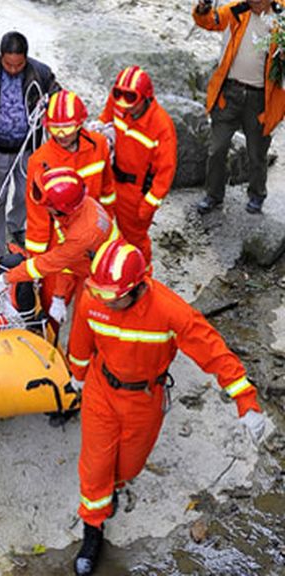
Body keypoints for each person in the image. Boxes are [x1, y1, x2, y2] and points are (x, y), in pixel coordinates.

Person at [66, 237, 268, 575]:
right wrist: (78, 374)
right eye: (98, 293)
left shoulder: (169, 311)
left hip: (144, 400)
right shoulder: (96, 297)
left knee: (129, 465)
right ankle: (93, 529)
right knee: (95, 463)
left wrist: (245, 401)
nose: (100, 300)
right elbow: (81, 337)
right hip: (102, 392)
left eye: (110, 297)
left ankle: (112, 488)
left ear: (135, 289)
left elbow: (212, 350)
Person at [21, 91, 116, 327]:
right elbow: (37, 217)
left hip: (92, 237)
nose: (61, 136)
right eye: (55, 129)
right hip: (58, 240)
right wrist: (38, 260)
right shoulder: (40, 161)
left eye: (67, 128)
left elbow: (107, 190)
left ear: (80, 123)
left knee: (93, 305)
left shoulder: (99, 145)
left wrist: (107, 234)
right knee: (52, 303)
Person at [0, 30, 61, 260]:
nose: (13, 69)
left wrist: (47, 106)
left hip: (29, 149)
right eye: (8, 64)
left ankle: (16, 226)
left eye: (18, 65)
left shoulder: (41, 72)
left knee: (27, 194)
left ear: (26, 59)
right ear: (1, 57)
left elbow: (59, 99)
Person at [0, 167, 118, 331]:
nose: (44, 208)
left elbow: (48, 263)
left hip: (103, 277)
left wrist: (6, 279)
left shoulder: (82, 233)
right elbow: (68, 259)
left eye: (48, 204)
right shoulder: (80, 209)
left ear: (62, 208)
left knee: (84, 324)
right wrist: (59, 295)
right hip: (84, 261)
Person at [193, 0, 285, 215]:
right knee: (217, 149)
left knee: (257, 154)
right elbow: (209, 22)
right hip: (229, 94)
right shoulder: (236, 10)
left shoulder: (281, 16)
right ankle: (213, 195)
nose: (255, 2)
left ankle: (256, 195)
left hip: (260, 99)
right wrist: (203, 8)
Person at [96, 66, 177, 265]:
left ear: (146, 98)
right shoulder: (119, 103)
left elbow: (165, 174)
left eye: (131, 100)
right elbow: (104, 122)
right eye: (119, 96)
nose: (125, 106)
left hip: (135, 192)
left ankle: (141, 278)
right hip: (109, 179)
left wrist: (148, 206)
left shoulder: (161, 127)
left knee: (135, 241)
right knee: (101, 230)